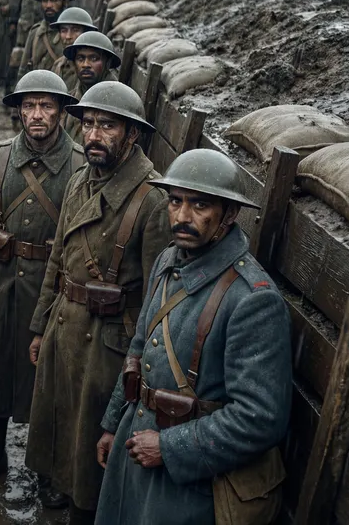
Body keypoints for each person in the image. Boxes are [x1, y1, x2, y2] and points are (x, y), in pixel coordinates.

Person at [96, 149, 291, 525]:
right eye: (175, 201)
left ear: (230, 214)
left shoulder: (253, 300)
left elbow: (260, 417)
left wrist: (169, 449)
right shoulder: (168, 261)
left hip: (189, 481)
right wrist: (111, 426)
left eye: (199, 205)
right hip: (137, 444)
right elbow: (139, 350)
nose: (182, 216)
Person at [25, 82, 171, 524]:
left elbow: (156, 301)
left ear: (132, 135)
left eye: (107, 126)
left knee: (93, 446)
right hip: (64, 326)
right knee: (60, 425)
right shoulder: (80, 180)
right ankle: (61, 491)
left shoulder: (154, 201)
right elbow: (57, 259)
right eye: (88, 124)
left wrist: (138, 364)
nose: (93, 135)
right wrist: (40, 325)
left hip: (107, 342)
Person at [0, 70, 83, 508]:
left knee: (49, 381)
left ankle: (47, 468)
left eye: (47, 106)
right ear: (19, 111)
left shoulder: (81, 165)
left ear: (62, 112)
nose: (37, 115)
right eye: (29, 106)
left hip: (51, 289)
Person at [61, 32, 121, 143]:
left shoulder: (119, 102)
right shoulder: (70, 99)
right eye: (80, 58)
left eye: (94, 58)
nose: (85, 64)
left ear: (107, 63)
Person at [18, 0, 77, 78]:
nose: (49, 5)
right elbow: (23, 69)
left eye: (54, 0)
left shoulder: (72, 34)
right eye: (45, 0)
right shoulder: (36, 32)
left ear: (65, 2)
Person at [49, 7, 99, 91]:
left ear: (86, 33)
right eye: (64, 30)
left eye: (75, 30)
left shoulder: (96, 67)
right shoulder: (58, 65)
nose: (68, 36)